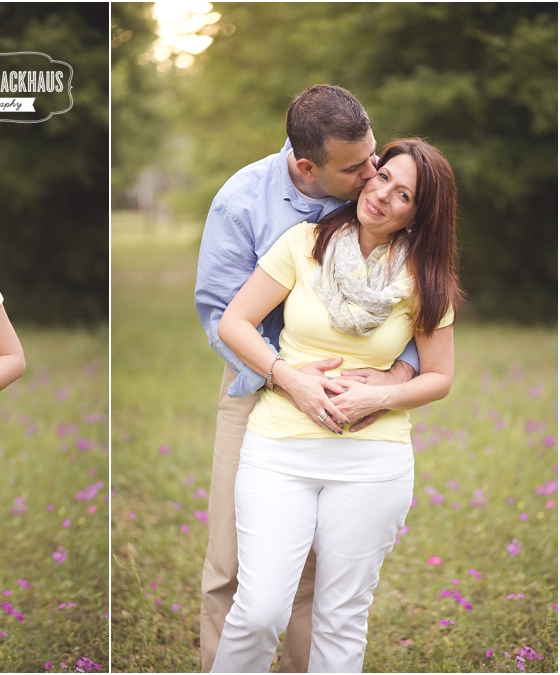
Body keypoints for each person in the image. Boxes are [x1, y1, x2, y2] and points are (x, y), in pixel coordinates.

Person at [211, 137, 461, 672]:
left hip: (372, 461)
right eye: (382, 177)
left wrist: (383, 393)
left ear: (420, 213)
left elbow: (440, 376)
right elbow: (234, 322)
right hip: (279, 449)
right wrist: (287, 378)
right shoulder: (303, 243)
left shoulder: (425, 276)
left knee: (341, 616)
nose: (383, 196)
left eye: (404, 195)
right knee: (259, 610)